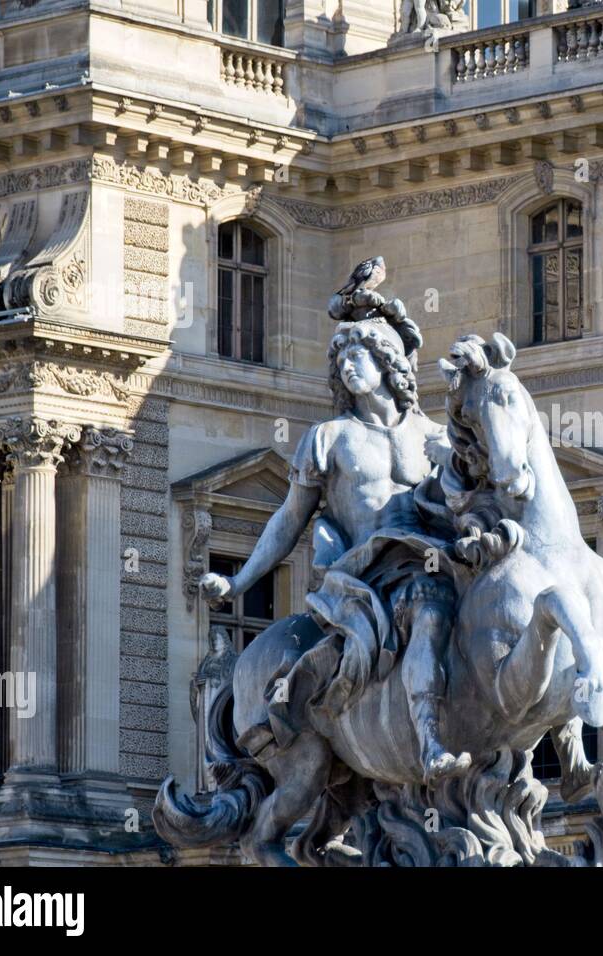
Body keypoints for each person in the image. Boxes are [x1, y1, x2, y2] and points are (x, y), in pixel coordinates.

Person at [200, 262, 470, 783]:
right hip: (365, 573)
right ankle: (430, 741)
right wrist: (239, 581)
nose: (348, 367)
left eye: (359, 356)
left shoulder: (434, 436)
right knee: (430, 611)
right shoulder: (329, 437)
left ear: (387, 363)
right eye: (341, 359)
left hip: (432, 558)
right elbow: (288, 519)